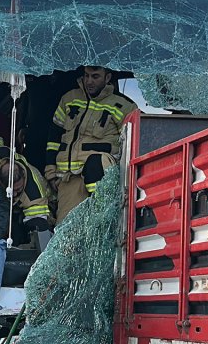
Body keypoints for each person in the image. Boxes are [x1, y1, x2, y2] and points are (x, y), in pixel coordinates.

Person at [45, 65, 138, 224]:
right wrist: (50, 170)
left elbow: (134, 145)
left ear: (107, 78)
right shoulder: (69, 98)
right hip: (69, 178)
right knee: (65, 236)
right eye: (86, 75)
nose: (89, 81)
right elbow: (54, 137)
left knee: (100, 228)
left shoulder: (125, 106)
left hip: (103, 177)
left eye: (95, 77)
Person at [0, 135, 52, 248]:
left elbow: (40, 224)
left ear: (23, 175)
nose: (15, 194)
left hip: (46, 203)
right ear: (2, 182)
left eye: (18, 190)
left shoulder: (34, 194)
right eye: (13, 190)